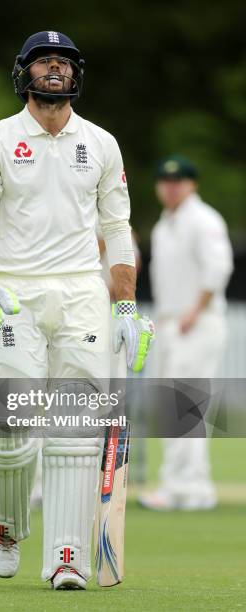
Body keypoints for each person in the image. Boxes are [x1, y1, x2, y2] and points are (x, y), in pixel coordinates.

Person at [0, 31, 154, 590]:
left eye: (64, 63)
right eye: (44, 62)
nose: (55, 70)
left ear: (77, 76)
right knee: (10, 421)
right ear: (23, 72)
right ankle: (3, 526)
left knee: (73, 428)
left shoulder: (100, 143)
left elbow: (117, 228)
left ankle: (66, 555)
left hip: (79, 292)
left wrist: (125, 307)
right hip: (15, 291)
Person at [138, 155, 233, 511]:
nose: (171, 187)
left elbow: (218, 267)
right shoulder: (166, 223)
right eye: (165, 181)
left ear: (191, 184)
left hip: (197, 321)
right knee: (171, 406)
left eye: (178, 181)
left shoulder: (203, 219)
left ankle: (192, 488)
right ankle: (177, 485)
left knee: (187, 405)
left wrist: (195, 310)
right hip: (170, 322)